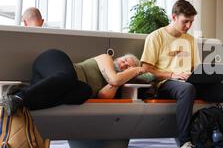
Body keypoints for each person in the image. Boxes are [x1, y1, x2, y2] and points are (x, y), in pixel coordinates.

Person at [140, 0, 223, 148]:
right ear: (174, 17)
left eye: (191, 22)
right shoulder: (156, 37)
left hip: (190, 82)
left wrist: (205, 75)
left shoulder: (190, 40)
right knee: (187, 89)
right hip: (167, 84)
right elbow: (146, 69)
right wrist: (172, 75)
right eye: (185, 22)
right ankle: (184, 145)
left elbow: (194, 67)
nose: (188, 26)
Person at [1, 49, 145, 116]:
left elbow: (103, 95)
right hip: (53, 62)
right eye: (124, 60)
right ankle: (19, 97)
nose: (124, 64)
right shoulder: (105, 58)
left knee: (84, 91)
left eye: (128, 67)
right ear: (117, 57)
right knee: (68, 77)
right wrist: (136, 69)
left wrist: (123, 77)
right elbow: (114, 79)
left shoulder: (117, 81)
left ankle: (22, 96)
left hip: (49, 84)